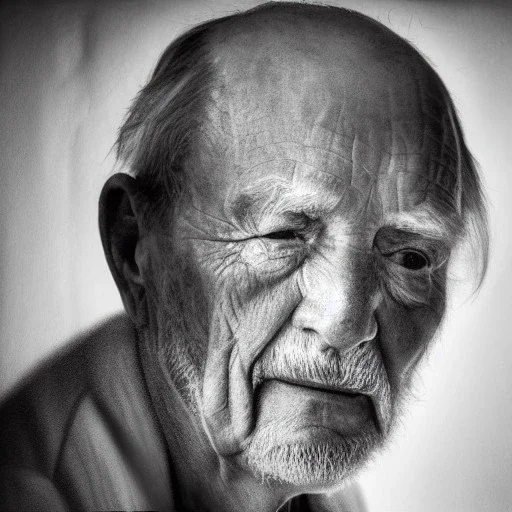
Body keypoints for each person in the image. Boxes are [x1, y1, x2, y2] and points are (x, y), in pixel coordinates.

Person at [0, 2, 488, 511]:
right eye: (282, 235)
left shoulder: (316, 488)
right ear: (135, 252)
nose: (345, 321)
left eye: (410, 257)